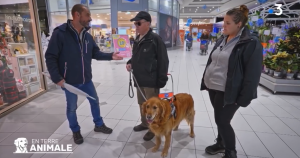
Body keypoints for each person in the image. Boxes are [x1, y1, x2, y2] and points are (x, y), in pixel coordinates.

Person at [45, 4, 123, 145]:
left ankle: (98, 124)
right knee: (72, 107)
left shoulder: (87, 36)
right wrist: (57, 78)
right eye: (87, 15)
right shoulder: (60, 33)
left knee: (94, 101)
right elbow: (50, 56)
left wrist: (111, 56)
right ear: (77, 15)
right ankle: (75, 131)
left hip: (86, 79)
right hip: (69, 81)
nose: (90, 18)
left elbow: (96, 53)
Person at [200, 5, 263, 158]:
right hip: (213, 87)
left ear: (239, 24)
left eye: (228, 23)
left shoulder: (250, 43)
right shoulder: (223, 38)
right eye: (224, 22)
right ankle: (221, 143)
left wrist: (243, 98)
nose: (224, 26)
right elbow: (214, 61)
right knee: (218, 118)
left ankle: (230, 152)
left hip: (230, 91)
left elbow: (253, 74)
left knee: (222, 121)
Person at [126, 11, 169, 141]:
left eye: (138, 23)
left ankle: (153, 128)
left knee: (153, 107)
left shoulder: (155, 39)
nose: (136, 26)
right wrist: (130, 63)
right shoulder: (138, 39)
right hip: (139, 80)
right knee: (143, 105)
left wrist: (161, 80)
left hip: (151, 81)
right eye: (135, 23)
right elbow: (135, 57)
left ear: (148, 24)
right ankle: (145, 124)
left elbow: (163, 60)